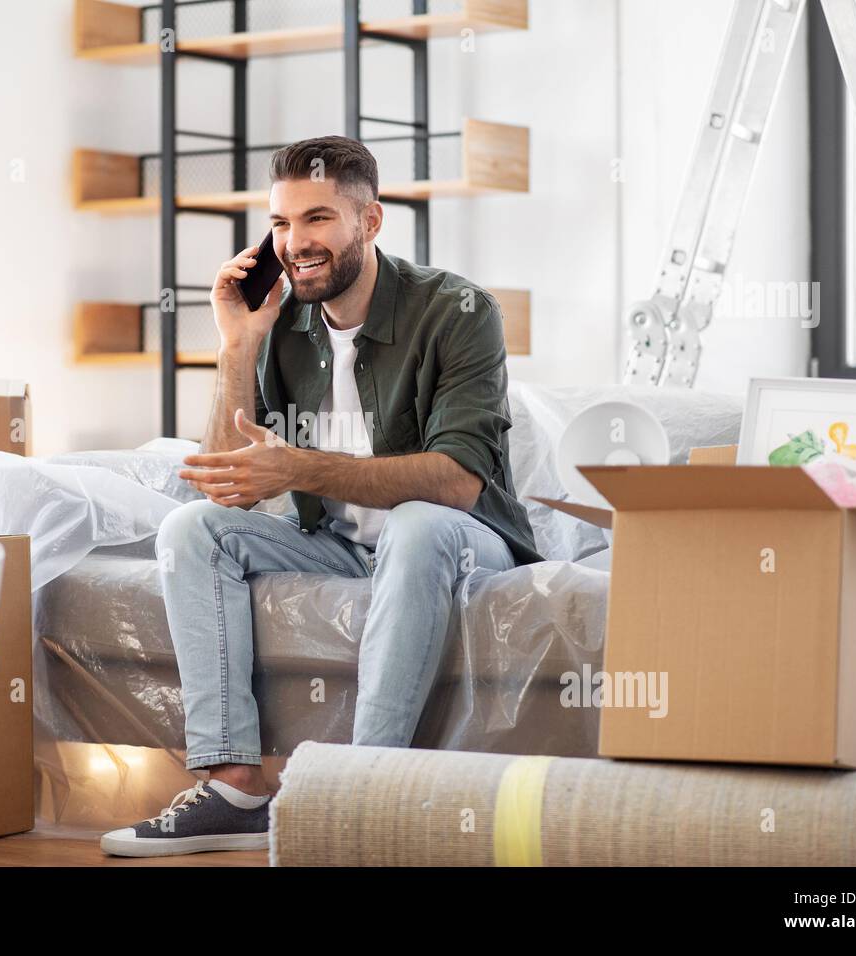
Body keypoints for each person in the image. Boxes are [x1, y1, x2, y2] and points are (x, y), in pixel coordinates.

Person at [100, 135, 541, 857]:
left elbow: (457, 480)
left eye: (316, 219)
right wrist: (238, 343)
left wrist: (299, 467)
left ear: (369, 222)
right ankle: (235, 788)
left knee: (419, 527)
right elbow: (227, 478)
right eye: (279, 224)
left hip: (462, 539)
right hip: (339, 545)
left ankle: (363, 788)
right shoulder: (283, 322)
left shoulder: (459, 310)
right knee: (192, 530)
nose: (294, 243)